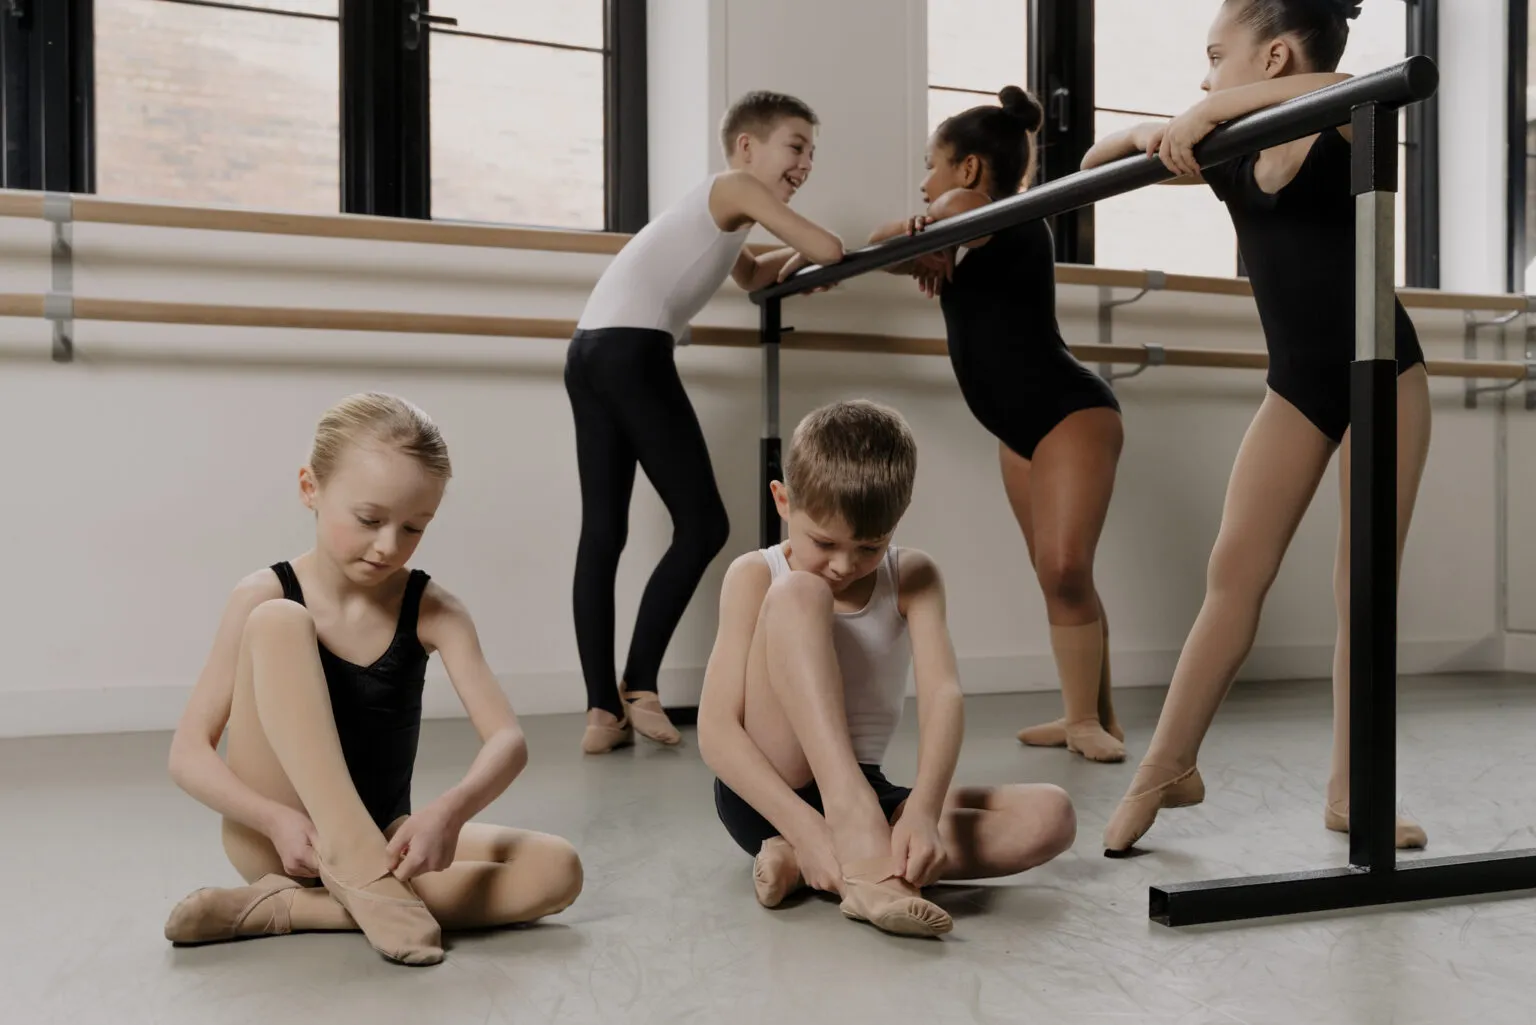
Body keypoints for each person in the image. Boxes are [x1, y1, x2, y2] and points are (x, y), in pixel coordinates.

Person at [1081, 0, 1431, 852]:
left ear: (1274, 57)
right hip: (1299, 383)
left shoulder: (1344, 121)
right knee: (1232, 574)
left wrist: (1208, 110)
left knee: (1364, 589)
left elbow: (1360, 84)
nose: (1204, 77)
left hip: (1385, 375)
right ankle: (1166, 765)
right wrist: (1171, 125)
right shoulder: (1227, 150)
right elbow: (1091, 160)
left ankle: (1354, 791)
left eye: (1216, 56)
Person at [163, 393, 584, 966]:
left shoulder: (434, 609)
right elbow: (188, 753)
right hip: (282, 842)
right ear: (310, 488)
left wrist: (448, 812)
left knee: (556, 870)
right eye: (369, 520)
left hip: (385, 835)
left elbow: (507, 740)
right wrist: (272, 819)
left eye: (414, 527)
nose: (389, 545)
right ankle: (354, 874)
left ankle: (293, 909)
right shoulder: (262, 594)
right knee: (279, 622)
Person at [696, 400, 1077, 938]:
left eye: (870, 547)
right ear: (783, 500)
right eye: (824, 542)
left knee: (1050, 816)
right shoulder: (757, 574)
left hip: (868, 791)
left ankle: (817, 863)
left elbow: (943, 695)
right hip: (768, 791)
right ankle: (836, 838)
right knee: (800, 593)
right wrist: (804, 826)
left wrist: (922, 810)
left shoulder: (914, 576)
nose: (844, 566)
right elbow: (714, 733)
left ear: (897, 520)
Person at [567, 90, 846, 754]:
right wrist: (820, 256)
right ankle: (638, 685)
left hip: (589, 351)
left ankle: (602, 711)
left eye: (812, 152)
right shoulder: (735, 187)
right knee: (704, 524)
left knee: (604, 531)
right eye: (796, 146)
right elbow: (829, 247)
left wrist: (801, 264)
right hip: (632, 353)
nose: (806, 163)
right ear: (748, 147)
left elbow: (753, 277)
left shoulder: (721, 211)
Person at [867, 86, 1127, 764]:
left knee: (1067, 567)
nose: (926, 185)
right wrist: (925, 245)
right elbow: (879, 248)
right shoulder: (971, 225)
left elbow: (928, 226)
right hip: (1018, 428)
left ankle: (1085, 721)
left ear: (970, 169)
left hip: (1070, 412)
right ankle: (1091, 714)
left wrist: (926, 235)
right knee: (1056, 574)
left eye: (933, 165)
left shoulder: (983, 210)